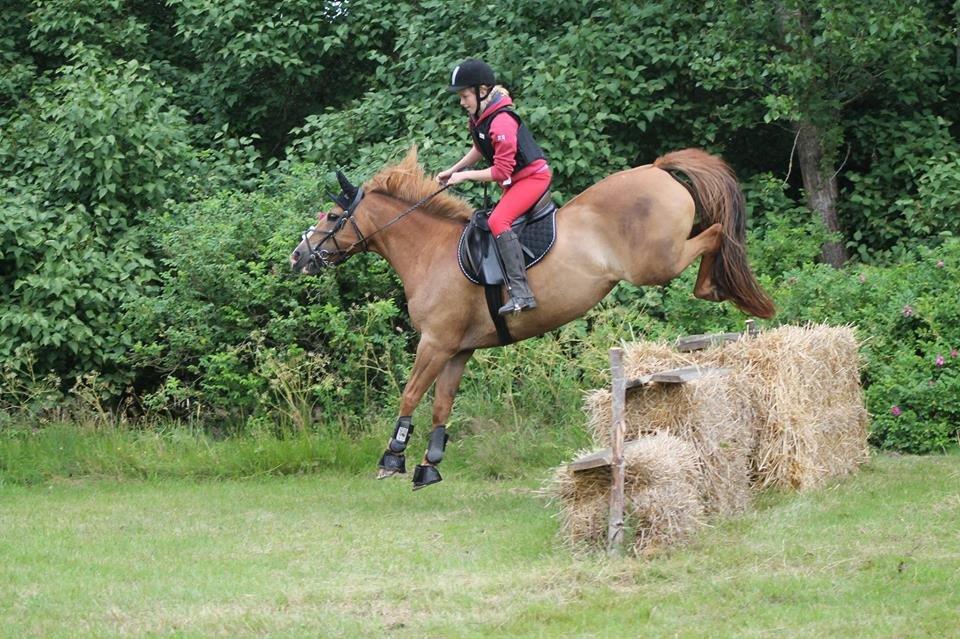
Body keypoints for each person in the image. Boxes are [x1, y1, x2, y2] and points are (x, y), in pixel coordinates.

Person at [437, 59, 552, 315]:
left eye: (465, 95)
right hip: (517, 180)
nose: (462, 101)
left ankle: (522, 294)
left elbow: (501, 171)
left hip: (532, 178)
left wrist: (465, 177)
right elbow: (480, 148)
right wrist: (454, 170)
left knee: (498, 221)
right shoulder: (479, 117)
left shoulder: (501, 122)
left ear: (482, 91)